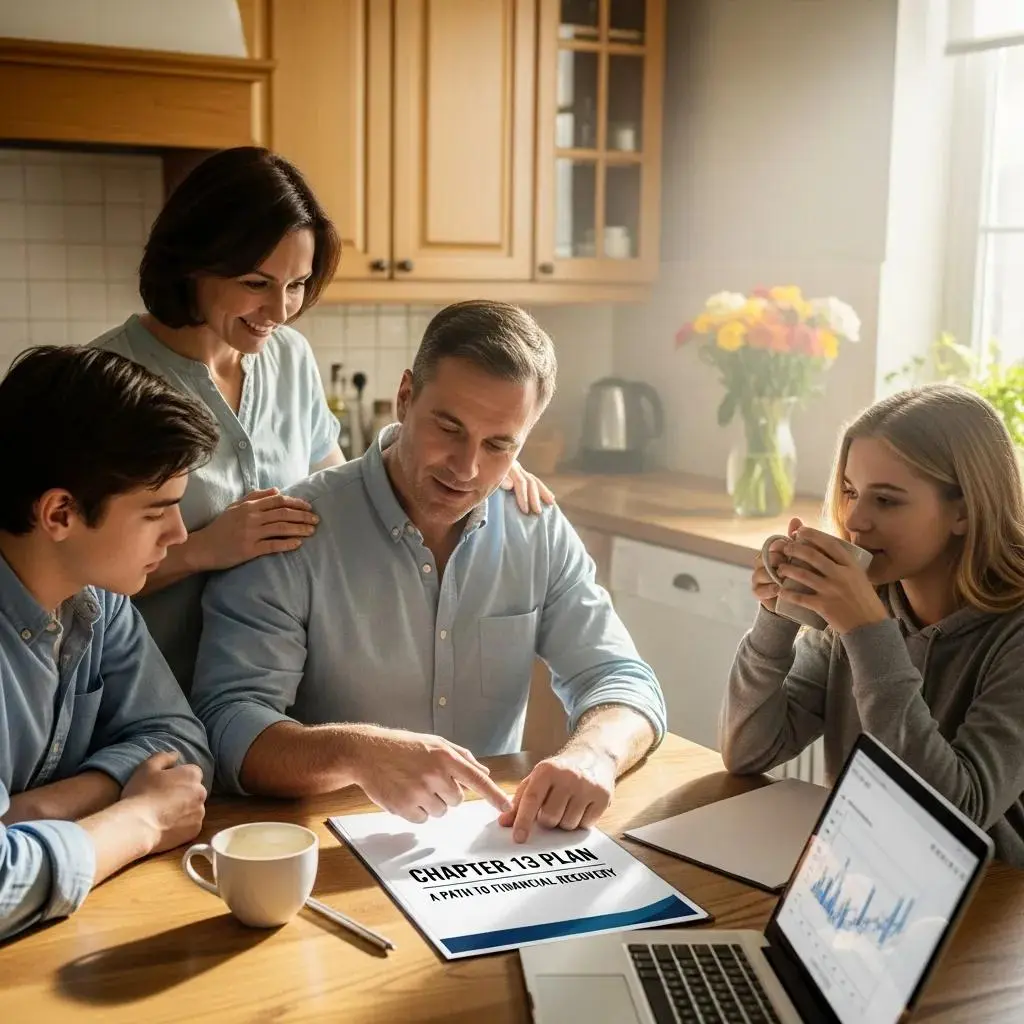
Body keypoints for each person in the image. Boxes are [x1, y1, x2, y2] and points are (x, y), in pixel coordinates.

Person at [191, 301, 666, 842]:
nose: (466, 469)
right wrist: (356, 754)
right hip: (325, 850)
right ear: (404, 397)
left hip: (492, 849)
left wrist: (594, 756)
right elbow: (226, 726)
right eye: (449, 428)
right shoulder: (292, 531)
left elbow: (625, 681)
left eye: (498, 444)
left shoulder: (536, 526)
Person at [93, 147, 552, 694]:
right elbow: (62, 580)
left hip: (284, 701)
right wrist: (203, 549)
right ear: (195, 260)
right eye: (257, 284)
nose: (282, 310)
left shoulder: (288, 357)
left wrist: (482, 462)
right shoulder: (107, 384)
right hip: (146, 703)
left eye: (297, 284)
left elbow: (344, 497)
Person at [720, 383, 1024, 864]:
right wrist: (778, 615)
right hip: (861, 878)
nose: (856, 520)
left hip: (987, 904)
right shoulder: (865, 600)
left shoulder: (1012, 634)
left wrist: (868, 632)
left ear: (964, 512)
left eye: (886, 501)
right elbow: (750, 751)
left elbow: (951, 815)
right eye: (849, 492)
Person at [0, 346, 216, 942]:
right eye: (157, 512)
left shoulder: (98, 596)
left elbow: (182, 743)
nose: (178, 535)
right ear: (60, 513)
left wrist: (29, 813)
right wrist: (140, 817)